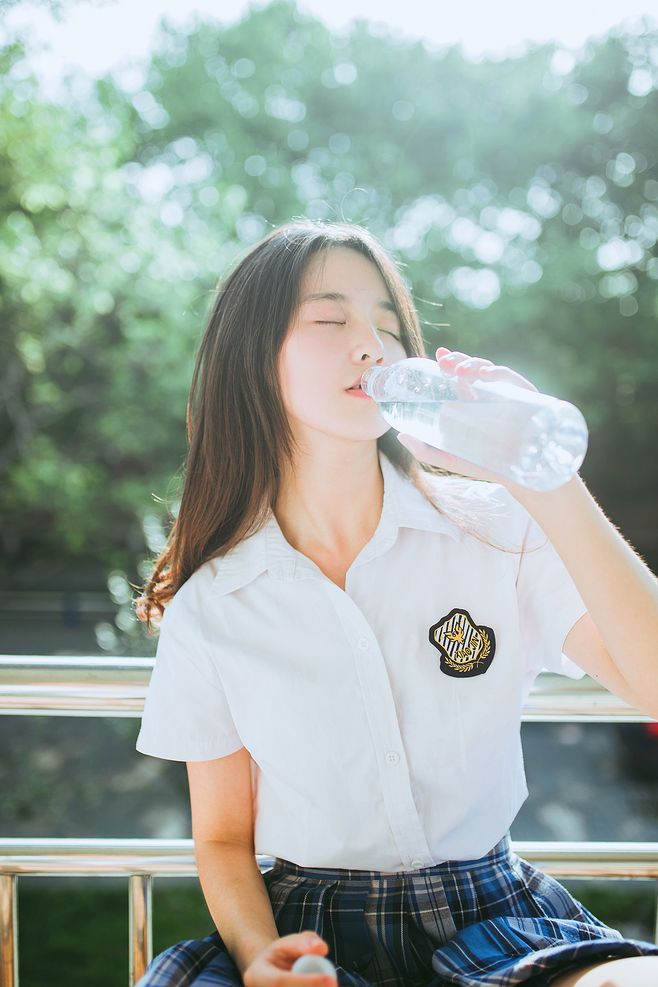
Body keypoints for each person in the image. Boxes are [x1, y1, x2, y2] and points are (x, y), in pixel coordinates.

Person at [133, 219, 658, 987]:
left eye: (387, 324)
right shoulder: (215, 601)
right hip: (312, 933)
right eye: (330, 318)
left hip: (498, 921)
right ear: (254, 357)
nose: (370, 344)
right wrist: (260, 956)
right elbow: (220, 839)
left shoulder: (494, 528)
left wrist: (547, 483)